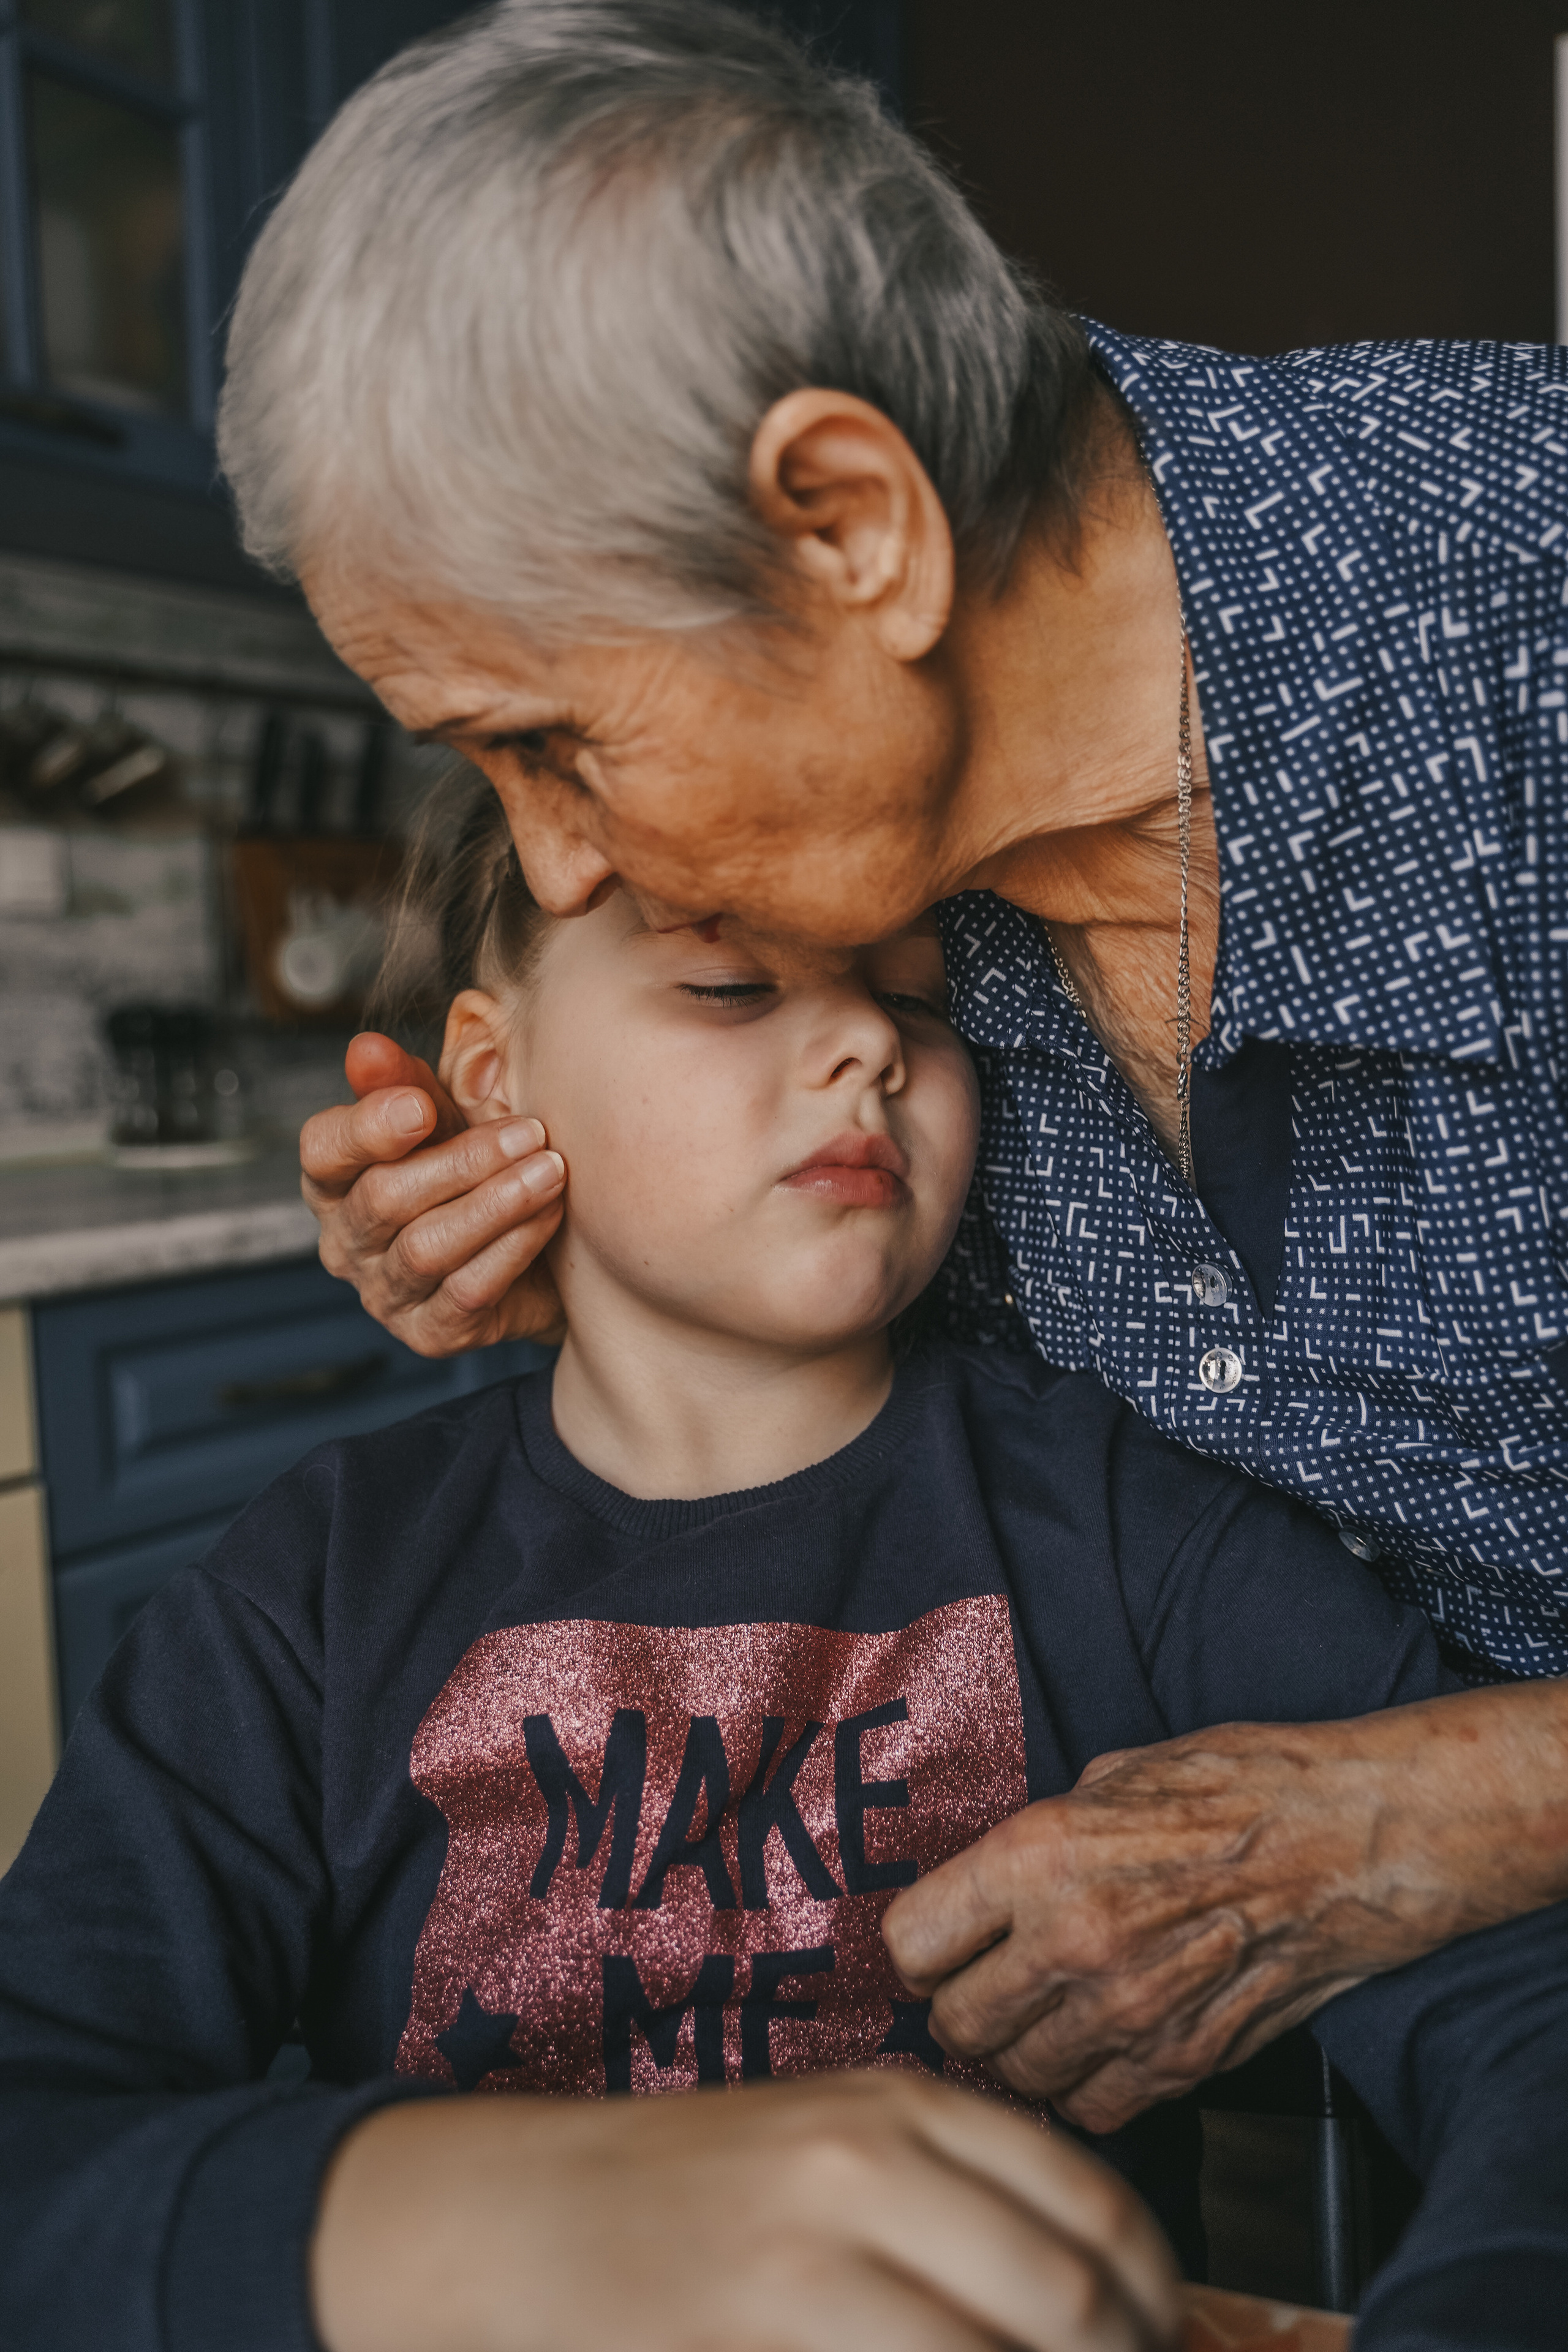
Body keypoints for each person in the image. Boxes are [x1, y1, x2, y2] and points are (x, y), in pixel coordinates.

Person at [220, 0, 1568, 2127]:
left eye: (550, 740)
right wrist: (564, 1236)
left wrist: (1458, 1803)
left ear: (852, 527)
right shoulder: (910, 916)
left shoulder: (1530, 609)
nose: (555, 852)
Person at [3, 767, 1567, 2352]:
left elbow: (1513, 1982)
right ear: (493, 1070)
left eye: (919, 1002)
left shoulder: (1122, 1526)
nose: (872, 1043)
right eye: (730, 982)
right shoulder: (318, 1588)